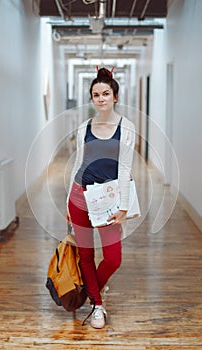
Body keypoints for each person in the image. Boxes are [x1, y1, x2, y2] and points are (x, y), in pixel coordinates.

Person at [66, 67, 135, 329]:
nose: (101, 98)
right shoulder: (85, 126)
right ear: (92, 98)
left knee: (113, 257)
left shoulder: (126, 127)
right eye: (96, 94)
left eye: (106, 93)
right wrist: (67, 201)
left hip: (108, 199)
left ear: (115, 96)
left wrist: (124, 206)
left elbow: (126, 168)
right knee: (85, 255)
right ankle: (97, 304)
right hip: (80, 196)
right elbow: (78, 163)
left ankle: (90, 290)